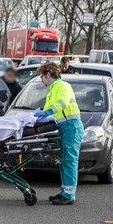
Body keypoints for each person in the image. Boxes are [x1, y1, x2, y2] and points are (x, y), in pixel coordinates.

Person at [34, 62, 84, 205]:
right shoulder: (53, 89)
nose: (41, 80)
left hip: (71, 126)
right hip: (65, 127)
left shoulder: (62, 86)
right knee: (65, 161)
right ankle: (65, 191)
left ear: (48, 74)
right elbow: (52, 108)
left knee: (69, 161)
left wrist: (46, 112)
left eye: (42, 77)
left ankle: (69, 195)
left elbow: (62, 103)